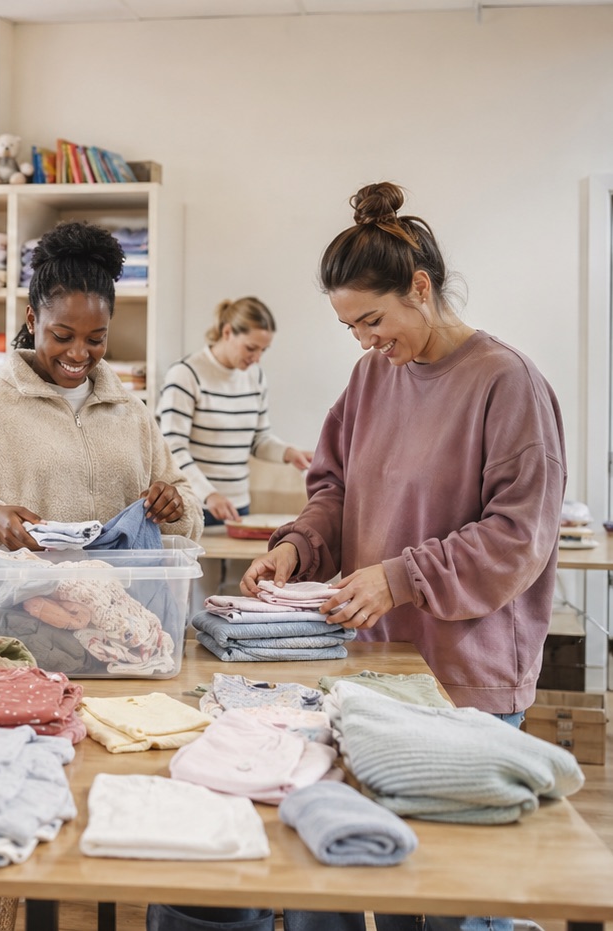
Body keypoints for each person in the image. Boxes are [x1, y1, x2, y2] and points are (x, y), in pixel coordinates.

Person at [216, 181, 566, 931]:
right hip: (378, 674)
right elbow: (335, 489)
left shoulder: (507, 383)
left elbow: (519, 536)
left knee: (455, 901)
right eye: (350, 327)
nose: (366, 341)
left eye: (373, 320)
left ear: (421, 287)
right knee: (383, 881)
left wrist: (402, 576)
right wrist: (296, 547)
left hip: (467, 682)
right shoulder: (373, 376)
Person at [0, 221, 200, 562]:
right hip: (21, 610)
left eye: (96, 339)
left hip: (122, 606)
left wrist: (175, 508)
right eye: (62, 336)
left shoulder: (132, 412)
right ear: (32, 320)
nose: (79, 354)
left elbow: (188, 507)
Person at [157, 297, 313, 526]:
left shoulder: (255, 376)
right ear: (227, 332)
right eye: (251, 348)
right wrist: (208, 495)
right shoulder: (186, 375)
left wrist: (289, 453)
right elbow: (172, 448)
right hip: (193, 505)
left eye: (263, 350)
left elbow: (259, 440)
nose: (257, 358)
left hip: (238, 506)